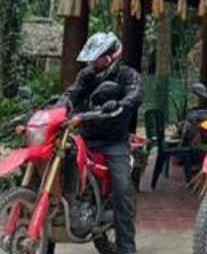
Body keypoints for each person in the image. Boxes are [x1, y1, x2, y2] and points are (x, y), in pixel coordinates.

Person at [64, 32, 143, 254]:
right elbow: (72, 94)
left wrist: (120, 104)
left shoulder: (128, 75)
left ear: (111, 57)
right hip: (84, 137)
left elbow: (134, 96)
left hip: (113, 142)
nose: (92, 62)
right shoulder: (86, 75)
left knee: (122, 189)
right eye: (91, 58)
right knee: (58, 162)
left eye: (97, 58)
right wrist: (59, 106)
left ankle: (126, 248)